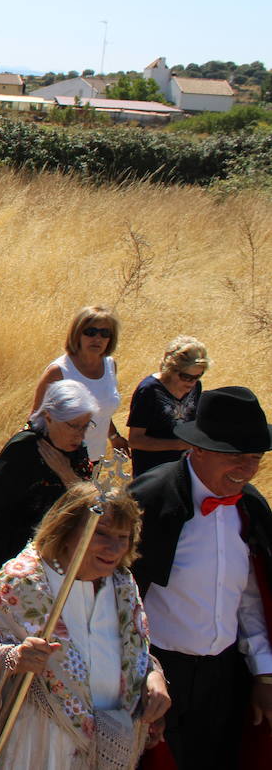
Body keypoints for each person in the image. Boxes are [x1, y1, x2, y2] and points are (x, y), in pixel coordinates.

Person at [0, 483, 170, 769]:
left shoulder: (123, 588)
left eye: (123, 536)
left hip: (103, 751)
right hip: (32, 749)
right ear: (67, 531)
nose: (114, 547)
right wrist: (11, 658)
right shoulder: (23, 583)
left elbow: (132, 655)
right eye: (101, 533)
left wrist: (153, 677)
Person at [129, 386, 272, 769]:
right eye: (235, 455)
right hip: (156, 674)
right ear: (199, 449)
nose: (246, 468)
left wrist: (264, 674)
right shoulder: (148, 501)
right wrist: (139, 672)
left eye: (255, 457)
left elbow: (252, 599)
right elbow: (114, 598)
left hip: (224, 679)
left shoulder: (252, 508)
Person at [0, 379, 98, 614]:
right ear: (49, 416)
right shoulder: (24, 448)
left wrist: (66, 475)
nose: (80, 434)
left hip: (52, 557)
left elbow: (90, 502)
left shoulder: (77, 454)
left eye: (85, 426)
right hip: (7, 555)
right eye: (73, 425)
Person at [33, 305, 128, 463]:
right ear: (77, 333)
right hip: (61, 457)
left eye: (105, 333)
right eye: (90, 332)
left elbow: (102, 409)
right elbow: (36, 419)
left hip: (94, 457)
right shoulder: (59, 371)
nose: (97, 339)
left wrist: (114, 437)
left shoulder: (110, 365)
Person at [126, 336, 208, 476]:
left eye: (198, 376)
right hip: (152, 473)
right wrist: (178, 445)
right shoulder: (149, 390)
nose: (192, 383)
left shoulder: (196, 387)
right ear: (171, 369)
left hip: (184, 470)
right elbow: (135, 440)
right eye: (186, 377)